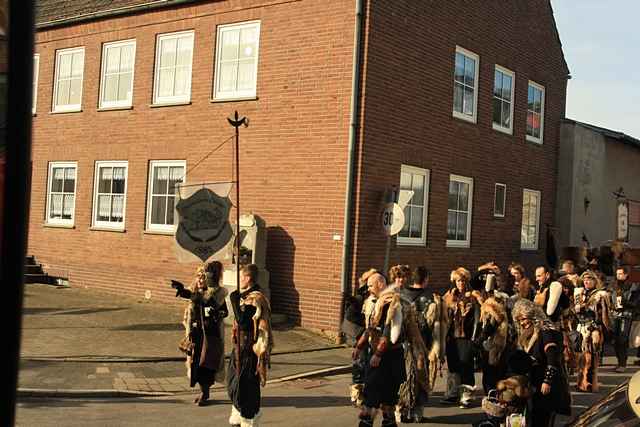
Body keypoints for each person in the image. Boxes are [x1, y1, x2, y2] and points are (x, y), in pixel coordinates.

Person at [353, 272, 406, 427]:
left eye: (371, 285)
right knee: (373, 389)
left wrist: (378, 354)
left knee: (384, 392)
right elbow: (370, 328)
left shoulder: (392, 303)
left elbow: (388, 331)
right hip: (378, 352)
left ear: (381, 284)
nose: (368, 289)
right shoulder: (373, 301)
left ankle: (373, 421)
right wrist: (359, 346)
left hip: (389, 355)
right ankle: (372, 420)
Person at [172, 261, 228, 406]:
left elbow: (223, 311)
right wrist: (182, 290)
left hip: (210, 334)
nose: (200, 279)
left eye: (203, 277)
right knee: (196, 363)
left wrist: (217, 313)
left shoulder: (217, 293)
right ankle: (203, 391)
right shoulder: (195, 292)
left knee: (206, 364)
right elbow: (195, 298)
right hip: (196, 333)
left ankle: (205, 393)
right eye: (198, 276)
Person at [512, 299, 571, 427]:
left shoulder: (544, 330)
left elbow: (552, 356)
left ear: (532, 316)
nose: (523, 323)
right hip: (535, 380)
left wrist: (547, 380)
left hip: (547, 380)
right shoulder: (527, 333)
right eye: (520, 320)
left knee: (544, 417)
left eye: (525, 319)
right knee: (535, 417)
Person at [227, 264, 273, 427]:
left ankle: (248, 417)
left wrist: (233, 300)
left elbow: (244, 322)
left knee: (244, 385)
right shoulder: (249, 297)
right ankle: (239, 416)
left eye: (241, 277)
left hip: (248, 349)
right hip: (240, 347)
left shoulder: (255, 298)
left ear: (247, 278)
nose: (240, 280)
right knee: (234, 383)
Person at [397, 266, 444, 423]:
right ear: (425, 279)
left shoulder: (401, 295)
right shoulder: (432, 298)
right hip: (423, 345)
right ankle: (417, 413)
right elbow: (438, 326)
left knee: (404, 377)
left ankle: (401, 411)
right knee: (422, 377)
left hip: (403, 344)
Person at [442, 267, 481, 409]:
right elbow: (444, 317)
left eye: (463, 280)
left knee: (466, 364)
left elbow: (478, 317)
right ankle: (453, 393)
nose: (461, 283)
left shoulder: (473, 296)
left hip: (467, 336)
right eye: (458, 280)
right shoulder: (449, 297)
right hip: (452, 336)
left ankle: (467, 395)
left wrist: (475, 337)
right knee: (453, 364)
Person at [342, 268, 377, 407]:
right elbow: (354, 306)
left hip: (359, 327)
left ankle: (360, 391)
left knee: (363, 359)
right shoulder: (364, 293)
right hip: (356, 327)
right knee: (361, 359)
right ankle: (357, 392)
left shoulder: (366, 291)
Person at [574, 270, 611, 393]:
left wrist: (595, 328)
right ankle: (581, 383)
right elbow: (573, 311)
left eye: (589, 279)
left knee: (590, 359)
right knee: (581, 358)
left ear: (595, 281)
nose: (586, 281)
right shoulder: (579, 294)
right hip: (581, 327)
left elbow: (604, 316)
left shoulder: (600, 295)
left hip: (593, 329)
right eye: (584, 280)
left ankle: (589, 384)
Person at [609, 266, 640, 372]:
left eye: (621, 274)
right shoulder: (613, 286)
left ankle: (623, 364)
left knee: (622, 339)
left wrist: (625, 303)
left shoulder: (633, 286)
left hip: (626, 315)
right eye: (617, 274)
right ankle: (619, 362)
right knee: (615, 341)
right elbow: (610, 299)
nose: (618, 276)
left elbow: (636, 303)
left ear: (626, 274)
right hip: (614, 315)